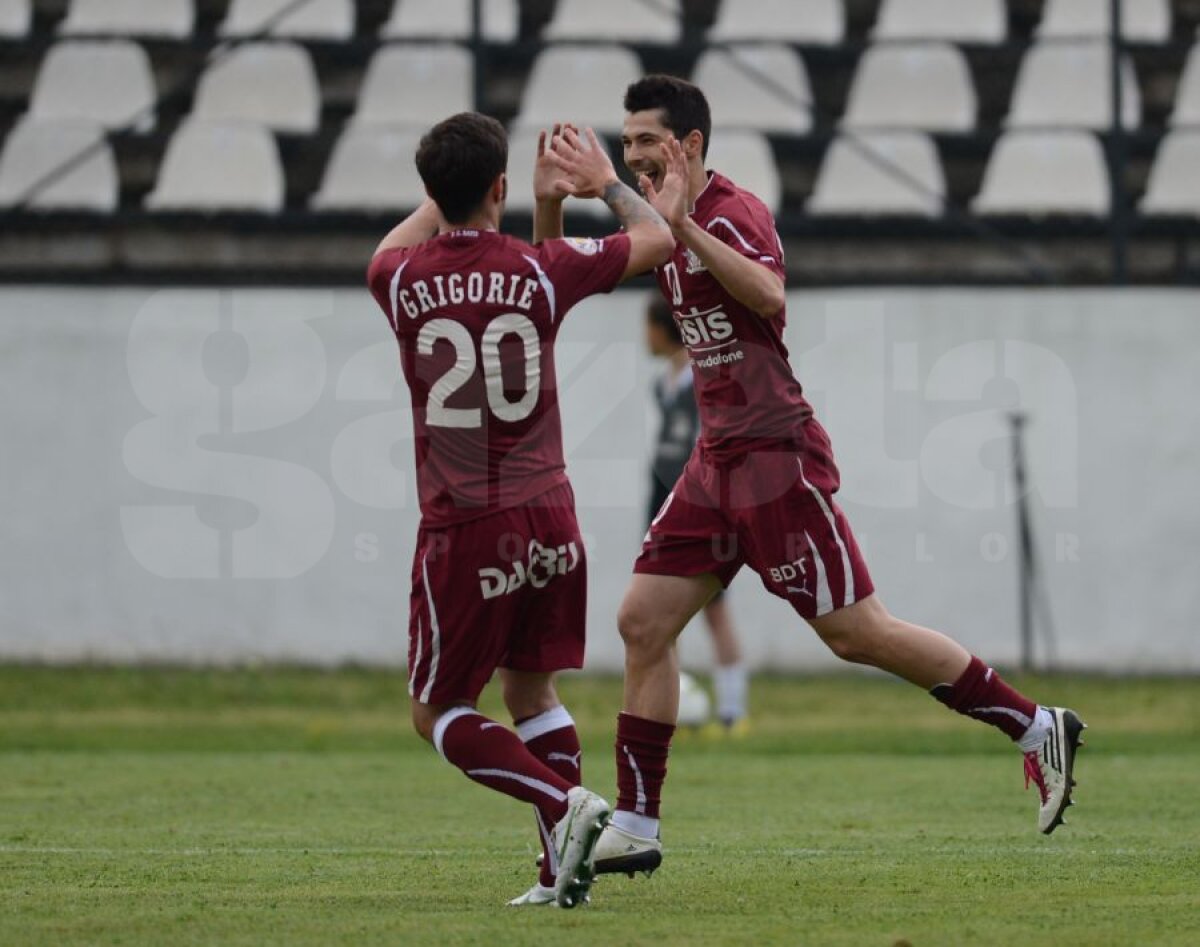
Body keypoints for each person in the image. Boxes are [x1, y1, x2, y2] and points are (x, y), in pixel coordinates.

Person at [559, 76, 1088, 880]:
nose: (633, 157)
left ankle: (1033, 724)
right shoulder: (658, 215)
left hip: (775, 458)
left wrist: (685, 231)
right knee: (642, 621)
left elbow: (770, 293)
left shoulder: (734, 212)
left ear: (691, 144)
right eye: (625, 143)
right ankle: (636, 820)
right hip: (716, 461)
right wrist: (576, 194)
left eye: (646, 142)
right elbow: (565, 268)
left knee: (857, 632)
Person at [365, 111, 681, 907]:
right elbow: (656, 241)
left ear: (433, 192)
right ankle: (558, 870)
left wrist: (464, 194)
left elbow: (391, 246)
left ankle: (560, 803)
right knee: (533, 693)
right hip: (551, 519)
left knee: (435, 708)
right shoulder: (539, 271)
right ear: (500, 188)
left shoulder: (397, 278)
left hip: (465, 526)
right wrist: (602, 183)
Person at [644, 294, 749, 732]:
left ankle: (733, 711)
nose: (643, 336)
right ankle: (673, 705)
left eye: (648, 326)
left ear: (664, 327)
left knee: (713, 609)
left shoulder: (700, 377)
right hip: (661, 497)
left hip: (701, 502)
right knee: (660, 613)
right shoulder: (661, 381)